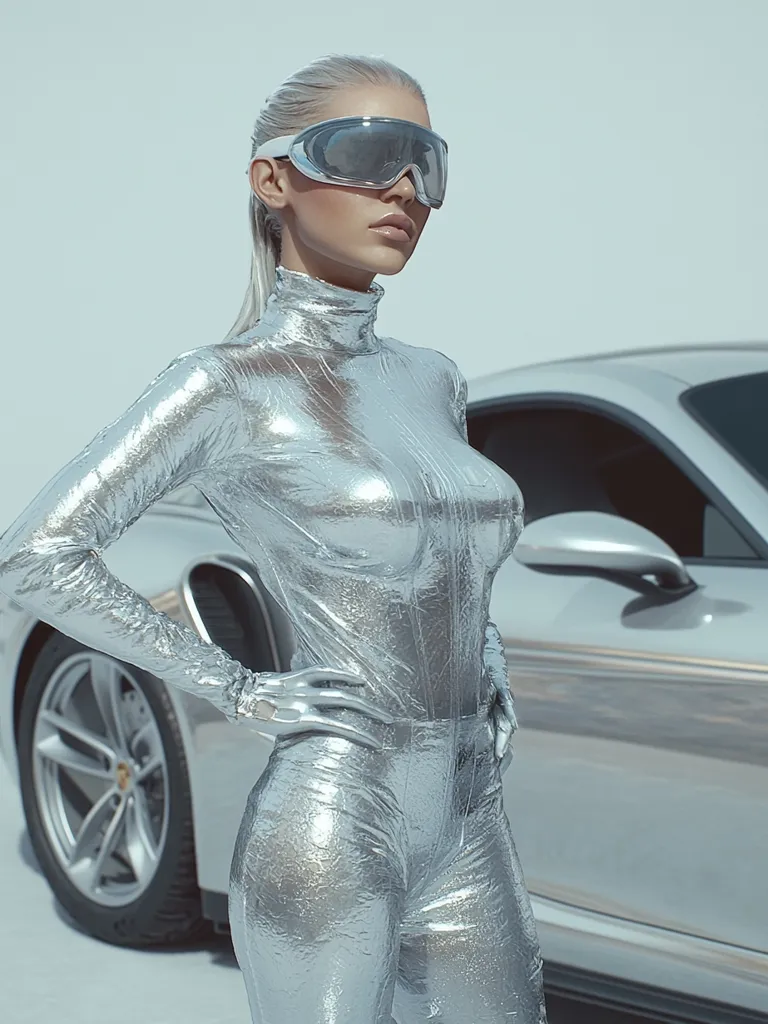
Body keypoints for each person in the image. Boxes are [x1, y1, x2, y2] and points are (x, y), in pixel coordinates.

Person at [0, 53, 547, 1024]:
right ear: (273, 179)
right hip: (334, 820)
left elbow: (443, 562)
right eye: (373, 153)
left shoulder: (433, 380)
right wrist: (234, 685)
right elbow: (38, 550)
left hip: (469, 820)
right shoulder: (227, 385)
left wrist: (488, 668)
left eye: (429, 162)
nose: (406, 189)